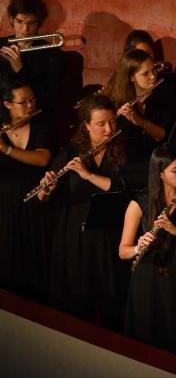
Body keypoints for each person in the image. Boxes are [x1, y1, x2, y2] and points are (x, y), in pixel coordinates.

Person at [36, 94, 128, 329]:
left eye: (112, 122)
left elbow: (124, 189)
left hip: (110, 235)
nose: (109, 129)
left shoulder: (124, 150)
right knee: (78, 305)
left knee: (113, 305)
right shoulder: (71, 151)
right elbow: (42, 196)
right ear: (86, 126)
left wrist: (88, 175)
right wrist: (48, 188)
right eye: (101, 124)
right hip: (77, 239)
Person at [119, 148, 176, 357]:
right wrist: (139, 246)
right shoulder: (139, 203)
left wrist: (175, 231)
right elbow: (123, 251)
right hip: (147, 280)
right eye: (175, 170)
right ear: (160, 173)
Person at [0, 78, 53, 300]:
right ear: (7, 104)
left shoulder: (42, 125)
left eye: (32, 100)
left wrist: (6, 149)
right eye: (23, 102)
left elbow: (43, 159)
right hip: (3, 204)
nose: (30, 105)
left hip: (34, 203)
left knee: (33, 260)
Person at [105, 48, 175, 176]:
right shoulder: (115, 101)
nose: (153, 76)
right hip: (126, 166)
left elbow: (162, 135)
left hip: (154, 162)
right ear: (131, 77)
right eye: (145, 74)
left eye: (153, 70)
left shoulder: (161, 97)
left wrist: (139, 121)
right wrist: (117, 119)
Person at [0, 0, 63, 113]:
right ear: (12, 19)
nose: (25, 29)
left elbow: (49, 97)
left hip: (34, 114)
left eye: (31, 23)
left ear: (38, 23)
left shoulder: (52, 53)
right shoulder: (1, 45)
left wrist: (20, 69)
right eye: (20, 21)